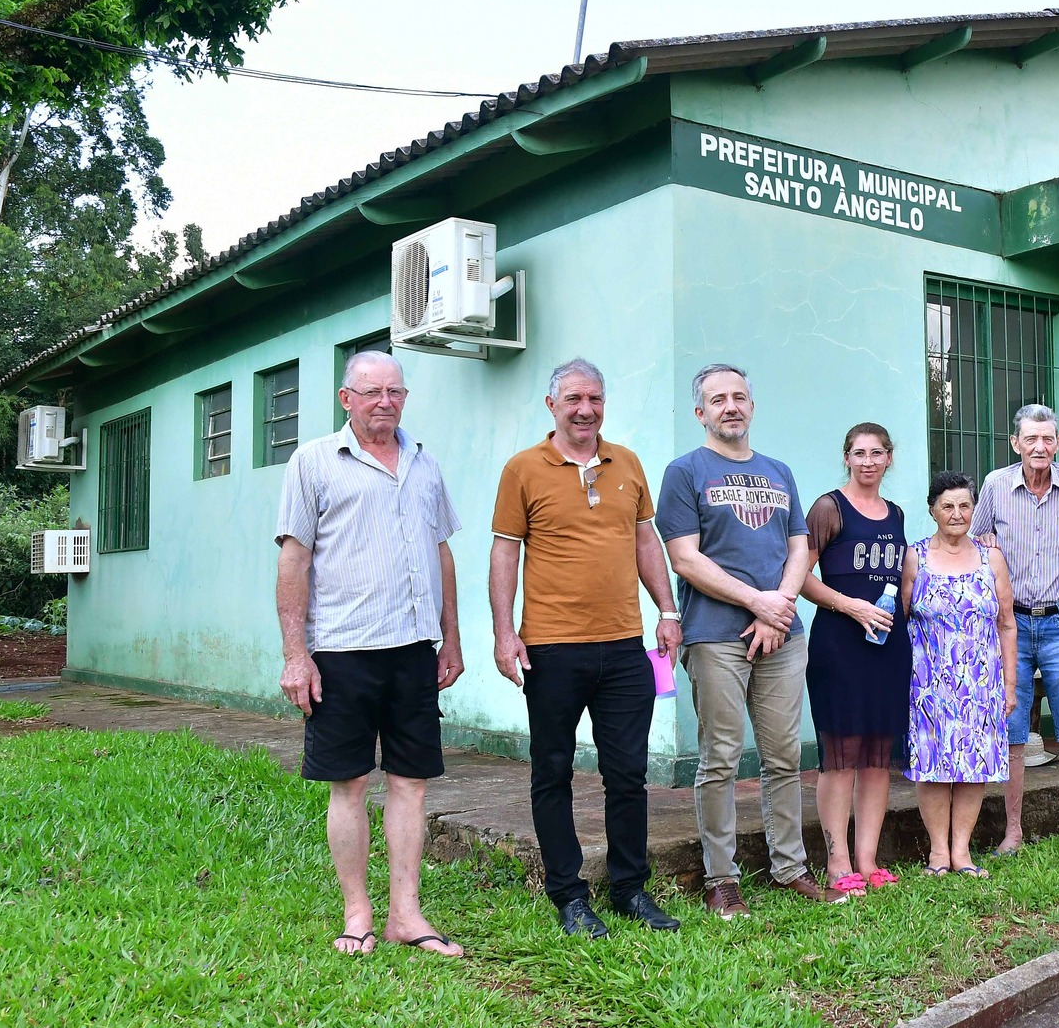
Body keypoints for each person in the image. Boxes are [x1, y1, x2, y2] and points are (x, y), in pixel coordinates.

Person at [274, 350, 465, 958]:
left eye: (395, 391)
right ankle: (357, 912)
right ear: (346, 399)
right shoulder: (312, 463)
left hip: (413, 650)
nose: (386, 400)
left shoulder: (424, 464)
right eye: (372, 391)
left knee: (412, 783)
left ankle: (405, 914)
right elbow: (294, 561)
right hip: (341, 652)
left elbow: (442, 555)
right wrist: (295, 655)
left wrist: (450, 638)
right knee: (349, 783)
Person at [489, 358, 683, 939]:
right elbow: (505, 554)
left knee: (627, 772)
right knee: (553, 771)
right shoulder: (523, 468)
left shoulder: (627, 463)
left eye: (595, 399)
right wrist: (505, 632)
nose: (585, 410)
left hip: (624, 648)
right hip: (551, 649)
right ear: (552, 405)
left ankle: (628, 889)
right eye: (573, 398)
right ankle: (570, 896)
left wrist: (667, 610)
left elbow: (645, 540)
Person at [658, 363, 822, 919]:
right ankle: (721, 879)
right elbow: (685, 556)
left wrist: (779, 610)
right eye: (717, 399)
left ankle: (790, 868)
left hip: (782, 635)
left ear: (752, 406)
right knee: (721, 758)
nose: (731, 406)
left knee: (783, 757)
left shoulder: (779, 471)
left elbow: (799, 546)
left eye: (739, 397)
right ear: (700, 413)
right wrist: (759, 604)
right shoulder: (685, 472)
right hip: (715, 635)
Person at [971, 403, 1059, 865]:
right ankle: (1013, 833)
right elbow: (975, 541)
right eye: (1030, 439)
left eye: (1048, 438)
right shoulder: (994, 484)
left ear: (1058, 443)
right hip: (1009, 626)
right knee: (1013, 733)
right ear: (1016, 443)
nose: (1039, 447)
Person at [801, 423, 911, 898]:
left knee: (876, 758)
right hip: (839, 645)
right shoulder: (829, 508)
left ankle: (867, 858)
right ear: (846, 457)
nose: (868, 461)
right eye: (858, 453)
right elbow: (799, 577)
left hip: (887, 649)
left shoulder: (897, 513)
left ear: (889, 458)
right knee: (840, 757)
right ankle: (837, 861)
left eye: (877, 453)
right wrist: (851, 606)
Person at [905, 471, 1018, 877]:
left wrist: (1009, 685)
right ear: (933, 509)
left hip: (981, 682)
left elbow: (1007, 624)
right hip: (929, 683)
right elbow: (902, 619)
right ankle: (938, 853)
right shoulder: (914, 557)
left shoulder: (993, 557)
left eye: (965, 505)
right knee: (933, 765)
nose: (957, 513)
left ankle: (961, 851)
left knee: (974, 766)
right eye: (948, 506)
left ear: (974, 509)